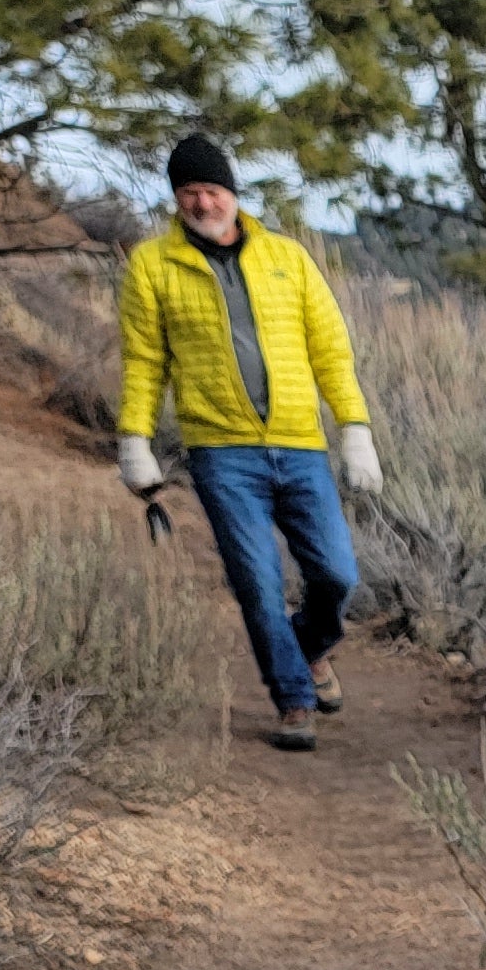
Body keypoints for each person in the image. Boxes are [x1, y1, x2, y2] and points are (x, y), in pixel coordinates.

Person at [113, 134, 381, 753]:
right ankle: (293, 701)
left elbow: (331, 351)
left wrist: (356, 431)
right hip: (221, 452)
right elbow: (143, 362)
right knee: (257, 581)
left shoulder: (287, 258)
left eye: (211, 191)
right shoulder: (153, 266)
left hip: (300, 444)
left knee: (336, 574)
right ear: (176, 200)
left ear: (233, 194)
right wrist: (135, 439)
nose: (202, 203)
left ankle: (310, 649)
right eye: (189, 194)